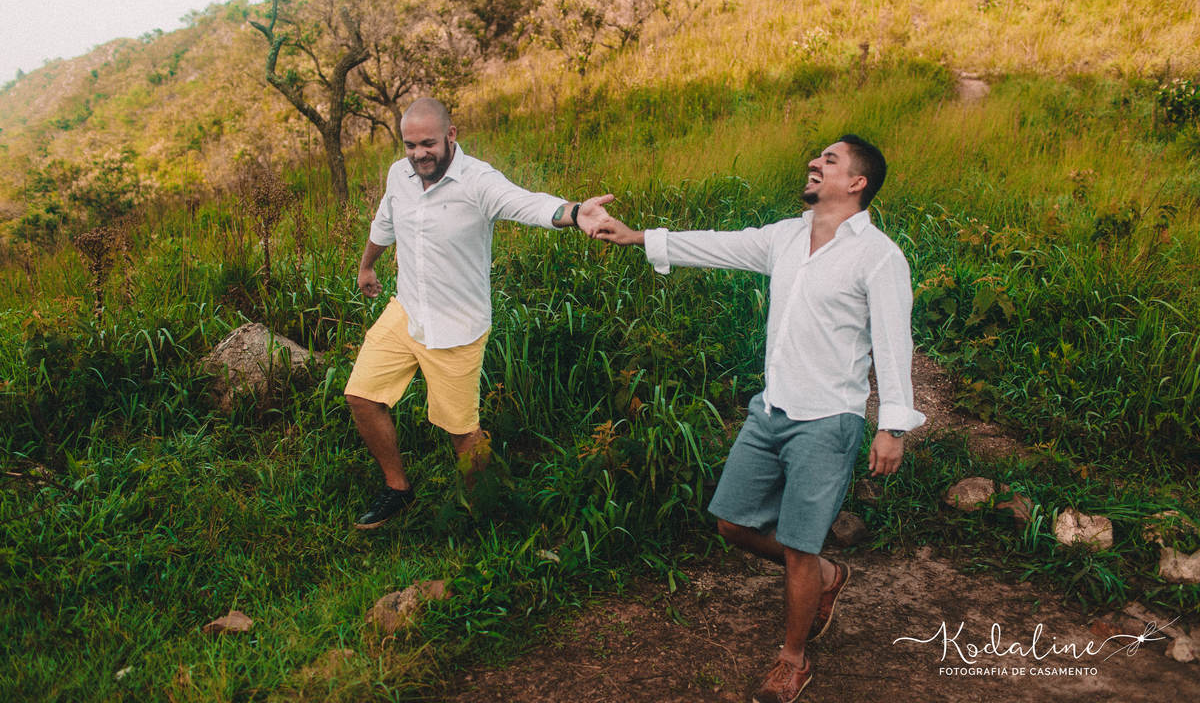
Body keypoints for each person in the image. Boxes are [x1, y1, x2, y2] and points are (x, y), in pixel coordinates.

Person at [594, 135, 925, 703]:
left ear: (857, 182)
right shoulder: (786, 237)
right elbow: (717, 245)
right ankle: (823, 575)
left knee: (798, 543)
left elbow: (895, 345)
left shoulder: (878, 256)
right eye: (817, 157)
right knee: (731, 522)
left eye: (830, 160)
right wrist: (635, 236)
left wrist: (892, 427)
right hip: (771, 410)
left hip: (829, 420)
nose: (814, 163)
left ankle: (792, 659)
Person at [345, 97, 612, 530]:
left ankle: (487, 512)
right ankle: (397, 488)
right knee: (361, 396)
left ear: (451, 135)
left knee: (462, 432)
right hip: (407, 311)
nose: (418, 155)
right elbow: (385, 222)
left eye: (428, 143)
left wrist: (577, 213)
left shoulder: (478, 181)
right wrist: (367, 265)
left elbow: (526, 203)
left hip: (457, 327)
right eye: (410, 145)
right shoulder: (400, 174)